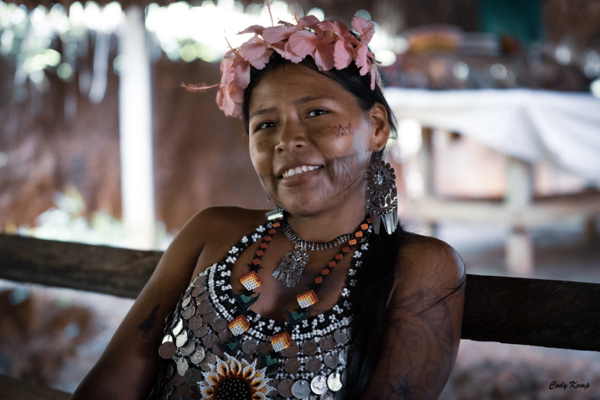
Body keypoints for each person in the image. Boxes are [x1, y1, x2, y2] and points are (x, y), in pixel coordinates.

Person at [71, 10, 465, 400]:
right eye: (265, 125)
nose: (287, 140)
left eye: (316, 113)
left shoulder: (421, 267)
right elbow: (110, 384)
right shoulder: (210, 231)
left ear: (377, 127)